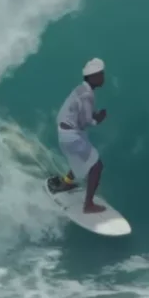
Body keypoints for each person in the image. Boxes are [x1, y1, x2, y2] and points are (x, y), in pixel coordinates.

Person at [47, 57, 108, 213]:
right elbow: (87, 121)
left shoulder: (79, 89)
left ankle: (66, 183)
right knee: (96, 166)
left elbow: (72, 113)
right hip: (72, 136)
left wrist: (91, 117)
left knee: (81, 159)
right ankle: (88, 205)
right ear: (92, 77)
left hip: (65, 132)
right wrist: (98, 119)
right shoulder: (87, 95)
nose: (103, 77)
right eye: (100, 74)